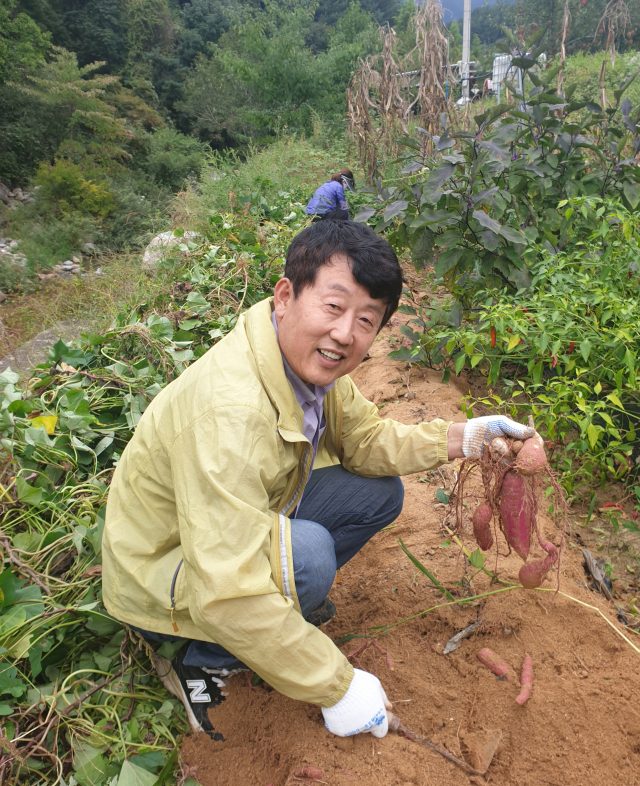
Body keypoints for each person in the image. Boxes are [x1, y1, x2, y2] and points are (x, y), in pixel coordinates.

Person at [102, 220, 534, 741]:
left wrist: (468, 436)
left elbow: (369, 440)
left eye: (366, 320)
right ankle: (202, 660)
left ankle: (281, 610)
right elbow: (225, 589)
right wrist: (337, 685)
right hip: (162, 572)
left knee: (377, 493)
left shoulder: (304, 366)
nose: (345, 334)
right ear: (285, 295)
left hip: (228, 526)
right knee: (307, 557)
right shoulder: (230, 412)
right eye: (333, 307)